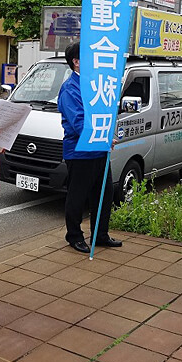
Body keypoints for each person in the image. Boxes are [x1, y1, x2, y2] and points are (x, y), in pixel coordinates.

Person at [57, 41, 122, 253]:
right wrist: (103, 137)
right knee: (78, 196)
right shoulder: (70, 88)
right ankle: (74, 236)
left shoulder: (94, 83)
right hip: (80, 151)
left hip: (100, 149)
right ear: (76, 62)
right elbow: (78, 123)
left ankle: (100, 234)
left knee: (104, 194)